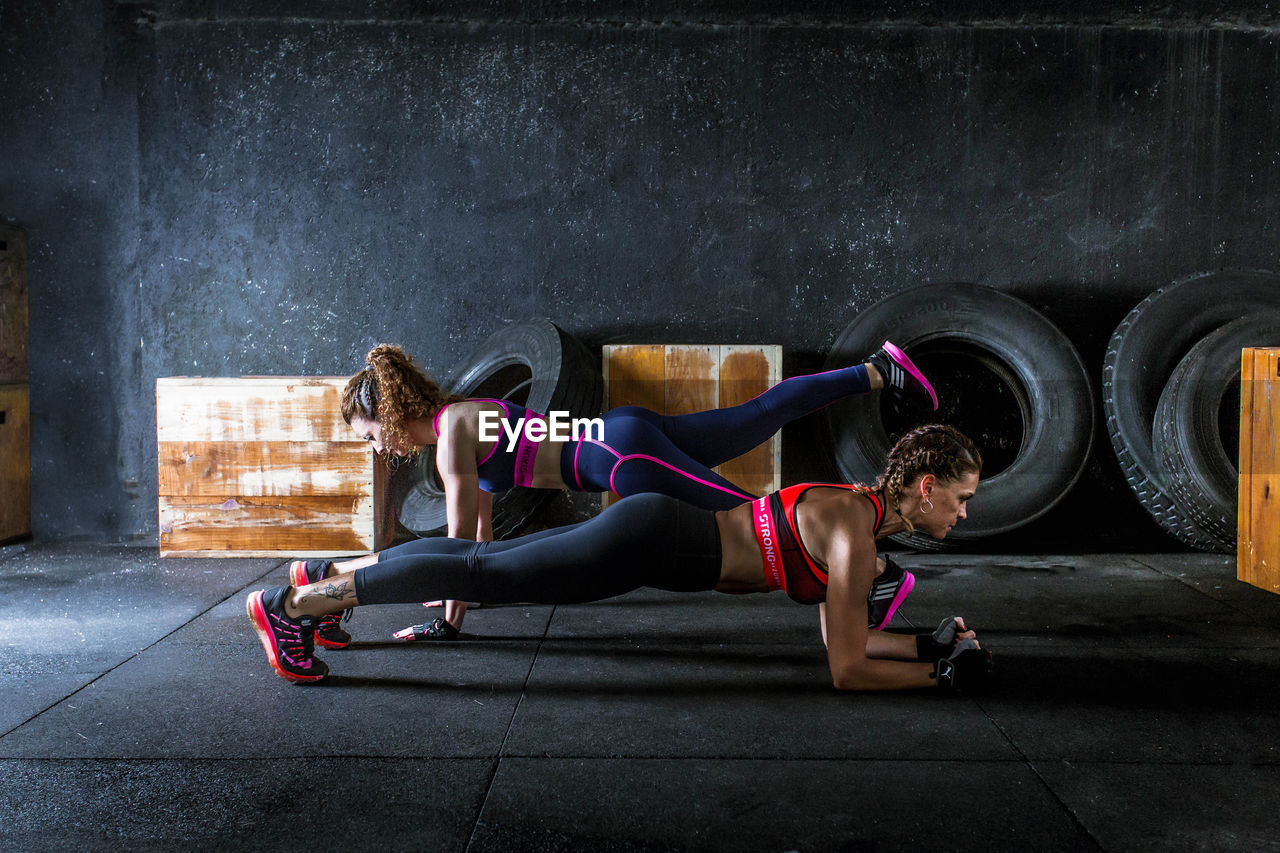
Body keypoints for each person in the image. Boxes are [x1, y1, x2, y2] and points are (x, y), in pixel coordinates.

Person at [248, 424, 994, 693]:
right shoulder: (856, 538)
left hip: (656, 534)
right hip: (651, 540)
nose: (962, 514)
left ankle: (321, 577)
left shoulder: (857, 508)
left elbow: (851, 641)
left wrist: (926, 641)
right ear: (924, 488)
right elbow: (846, 667)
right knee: (488, 574)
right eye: (958, 498)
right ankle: (295, 607)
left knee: (491, 559)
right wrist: (936, 673)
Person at [294, 339, 936, 644]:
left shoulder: (451, 436)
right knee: (757, 413)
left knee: (756, 519)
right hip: (623, 433)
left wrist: (445, 623)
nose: (375, 446)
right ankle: (877, 371)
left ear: (389, 410)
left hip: (620, 457)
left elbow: (462, 548)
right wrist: (451, 615)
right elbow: (480, 541)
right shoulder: (461, 415)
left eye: (369, 432)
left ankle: (873, 573)